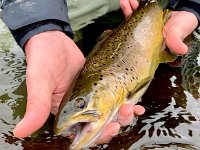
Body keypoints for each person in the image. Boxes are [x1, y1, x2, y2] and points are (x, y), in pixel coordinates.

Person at [0, 0, 199, 145]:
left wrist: (191, 7)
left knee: (170, 114)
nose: (80, 106)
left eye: (81, 103)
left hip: (162, 10)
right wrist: (40, 28)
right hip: (67, 14)